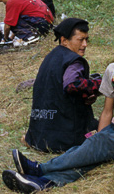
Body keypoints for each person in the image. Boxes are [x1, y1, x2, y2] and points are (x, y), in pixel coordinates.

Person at [4, 25, 114, 194]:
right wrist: (100, 136)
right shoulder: (113, 71)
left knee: (99, 144)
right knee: (92, 151)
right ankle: (45, 182)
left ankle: (39, 169)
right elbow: (107, 111)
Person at [7, 19, 101, 167]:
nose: (85, 45)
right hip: (66, 137)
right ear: (64, 40)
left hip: (39, 135)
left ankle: (29, 139)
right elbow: (72, 85)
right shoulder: (74, 61)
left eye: (86, 40)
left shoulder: (52, 56)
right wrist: (98, 85)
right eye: (80, 40)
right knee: (102, 129)